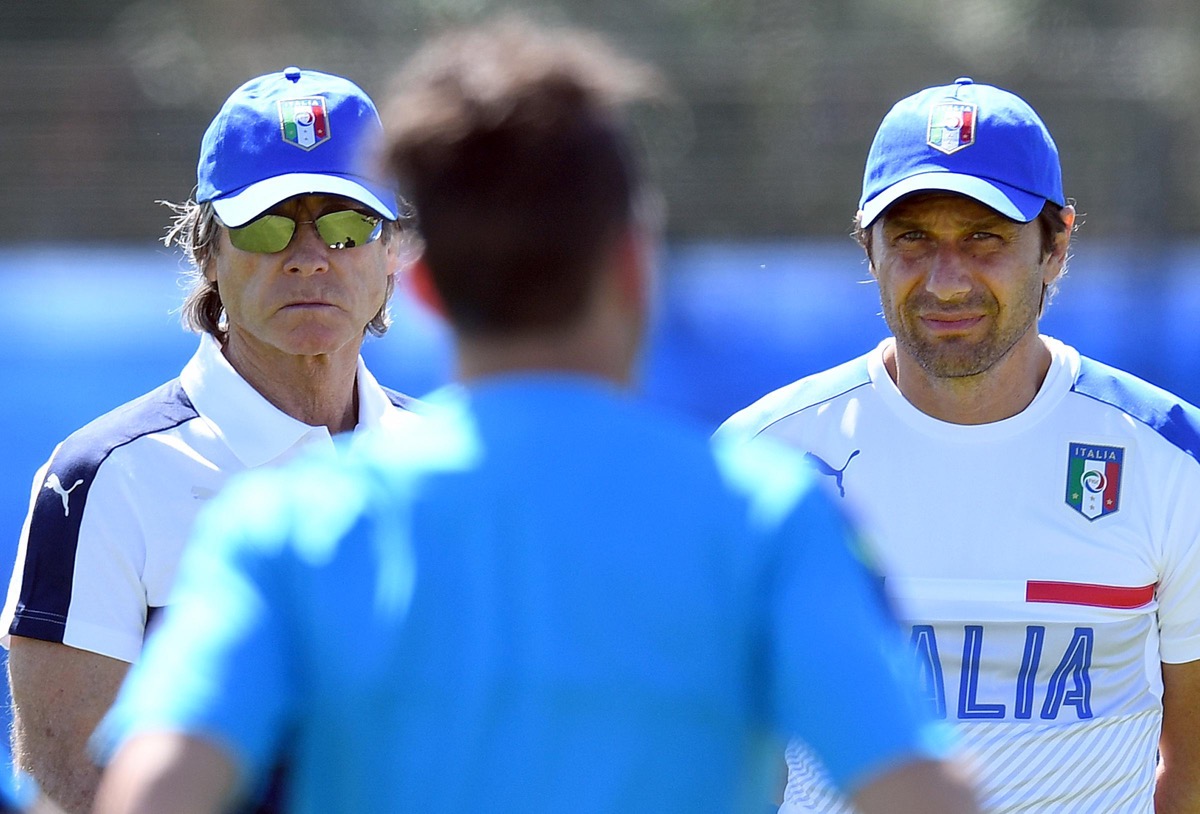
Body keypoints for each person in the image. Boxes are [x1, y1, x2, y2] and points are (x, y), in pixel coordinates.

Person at [89, 20, 980, 814]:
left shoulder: (282, 533)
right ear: (633, 264)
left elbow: (155, 792)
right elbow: (918, 795)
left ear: (424, 280)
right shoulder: (765, 516)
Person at [717, 77, 1200, 813]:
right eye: (913, 238)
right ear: (868, 247)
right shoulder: (761, 456)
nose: (947, 282)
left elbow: (1191, 768)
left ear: (1056, 246)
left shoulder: (1172, 459)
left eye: (985, 237)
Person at [1, 67, 422, 814]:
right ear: (208, 255)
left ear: (391, 252)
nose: (308, 255)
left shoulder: (440, 463)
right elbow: (71, 785)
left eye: (346, 224)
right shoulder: (101, 480)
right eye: (266, 225)